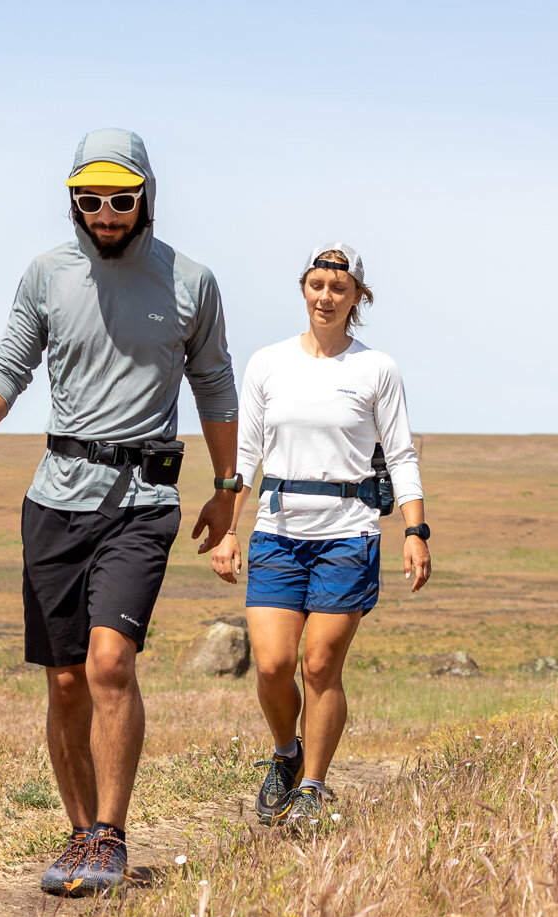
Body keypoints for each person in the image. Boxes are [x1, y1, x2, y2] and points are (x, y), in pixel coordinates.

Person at [0, 128, 240, 894]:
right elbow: (11, 355)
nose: (106, 214)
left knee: (110, 663)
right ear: (73, 200)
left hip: (144, 498)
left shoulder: (191, 281)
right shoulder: (47, 275)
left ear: (146, 195)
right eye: (91, 200)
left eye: (121, 199)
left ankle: (111, 834)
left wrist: (226, 486)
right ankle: (78, 834)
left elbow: (214, 383)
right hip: (56, 498)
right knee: (66, 681)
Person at [210, 242, 430, 830]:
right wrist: (230, 531)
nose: (325, 297)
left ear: (357, 297)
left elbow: (402, 454)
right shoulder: (268, 364)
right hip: (278, 531)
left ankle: (312, 785)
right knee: (273, 664)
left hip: (348, 532)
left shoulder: (376, 369)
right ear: (303, 290)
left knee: (320, 663)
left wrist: (415, 530)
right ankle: (285, 754)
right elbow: (247, 454)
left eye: (339, 288)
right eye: (316, 285)